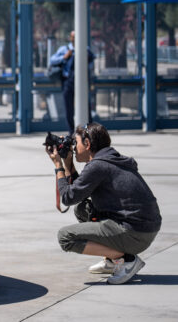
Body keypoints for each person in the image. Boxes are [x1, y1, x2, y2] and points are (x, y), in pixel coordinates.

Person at [47, 122, 161, 285]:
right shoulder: (111, 159)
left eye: (75, 143)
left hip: (134, 233)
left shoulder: (98, 166)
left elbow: (67, 197)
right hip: (144, 228)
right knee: (82, 209)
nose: (73, 148)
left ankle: (126, 259)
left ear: (87, 143)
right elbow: (80, 190)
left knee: (65, 237)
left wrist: (58, 166)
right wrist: (68, 162)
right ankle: (111, 260)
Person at [49, 30, 94, 133]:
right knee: (69, 109)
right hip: (68, 82)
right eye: (73, 37)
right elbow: (52, 60)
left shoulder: (85, 49)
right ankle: (71, 132)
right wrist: (64, 57)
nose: (75, 39)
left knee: (86, 108)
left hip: (82, 82)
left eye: (77, 37)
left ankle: (89, 131)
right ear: (70, 38)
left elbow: (91, 62)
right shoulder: (64, 49)